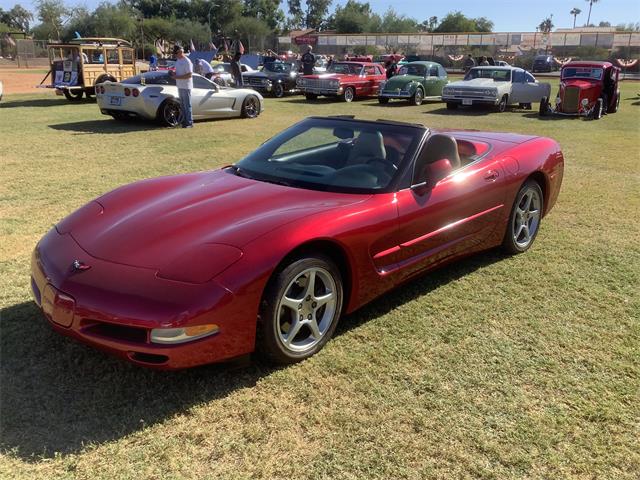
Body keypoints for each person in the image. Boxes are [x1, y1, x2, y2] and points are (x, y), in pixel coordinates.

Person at [169, 45, 193, 128]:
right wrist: (173, 74)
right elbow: (178, 72)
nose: (175, 55)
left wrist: (177, 77)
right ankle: (183, 122)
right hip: (180, 85)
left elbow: (189, 75)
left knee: (187, 105)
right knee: (182, 106)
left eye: (176, 53)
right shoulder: (178, 61)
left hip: (186, 86)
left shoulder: (187, 61)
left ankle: (189, 123)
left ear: (180, 52)